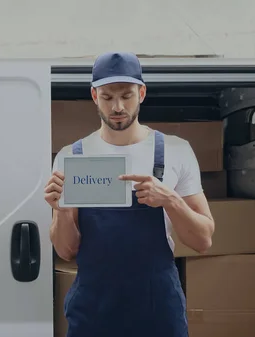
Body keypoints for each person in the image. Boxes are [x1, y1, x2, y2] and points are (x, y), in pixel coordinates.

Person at [44, 51, 215, 337]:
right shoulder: (72, 158)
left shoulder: (175, 151)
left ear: (142, 93)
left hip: (157, 309)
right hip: (93, 311)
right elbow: (67, 250)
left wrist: (170, 200)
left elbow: (203, 239)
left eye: (127, 95)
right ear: (94, 96)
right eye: (108, 97)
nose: (118, 106)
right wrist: (61, 209)